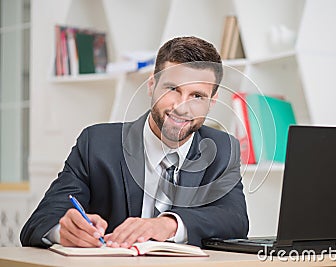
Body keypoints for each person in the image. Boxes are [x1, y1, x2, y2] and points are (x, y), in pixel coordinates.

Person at [20, 36, 249, 248]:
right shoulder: (96, 144)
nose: (182, 106)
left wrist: (168, 224)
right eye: (172, 89)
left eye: (197, 96)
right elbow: (39, 223)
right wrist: (63, 231)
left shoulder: (223, 148)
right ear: (152, 85)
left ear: (212, 101)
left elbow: (234, 218)